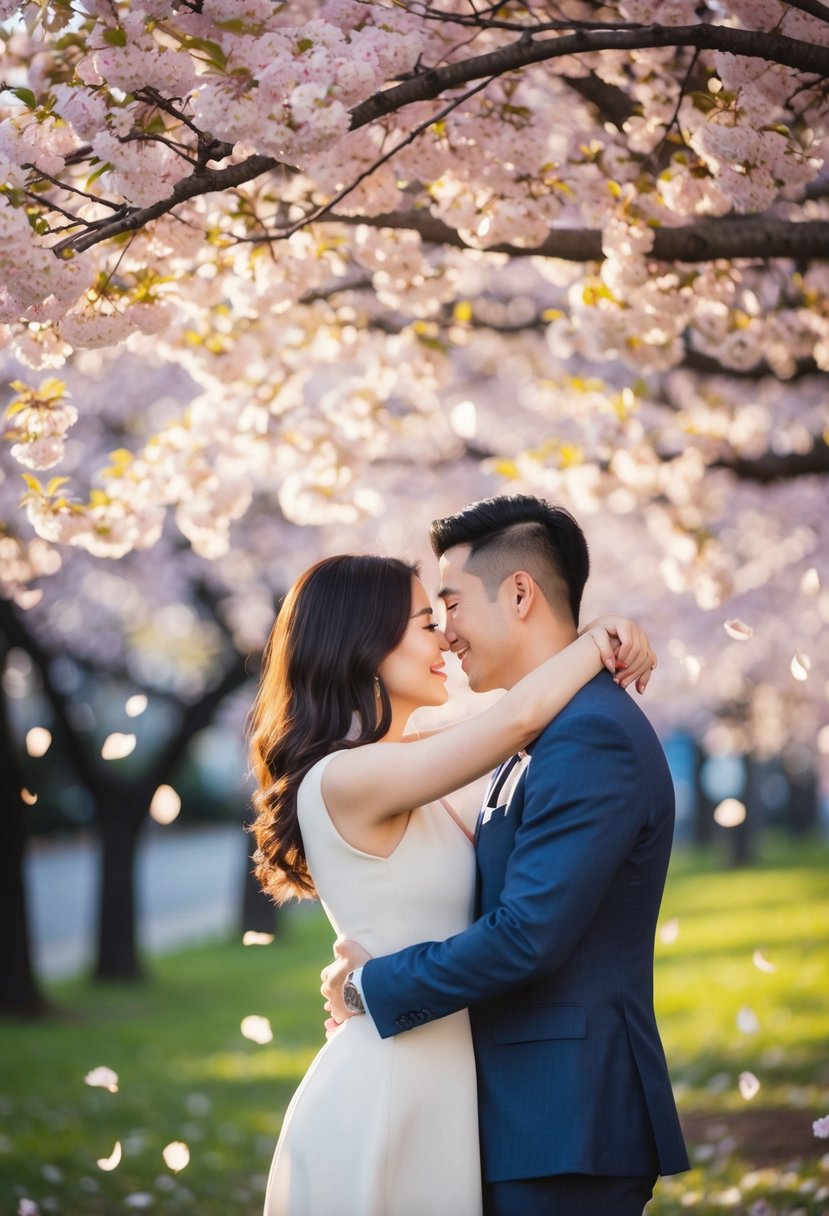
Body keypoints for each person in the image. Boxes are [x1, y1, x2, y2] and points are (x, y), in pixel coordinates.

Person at [249, 544, 656, 1216]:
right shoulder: (346, 776)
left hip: (441, 1075)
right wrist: (595, 642)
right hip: (389, 1083)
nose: (444, 635)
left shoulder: (411, 767)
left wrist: (361, 979)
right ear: (364, 644)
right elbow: (517, 718)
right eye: (422, 621)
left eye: (442, 615)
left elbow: (527, 741)